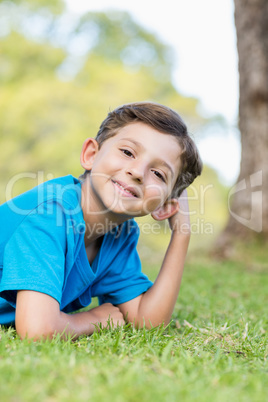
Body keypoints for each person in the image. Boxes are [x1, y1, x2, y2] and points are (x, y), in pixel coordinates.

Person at [0, 102, 202, 340]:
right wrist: (91, 320)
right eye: (127, 152)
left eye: (158, 174)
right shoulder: (50, 213)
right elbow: (37, 330)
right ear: (91, 155)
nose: (137, 172)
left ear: (165, 206)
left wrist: (182, 233)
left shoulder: (121, 234)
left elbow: (148, 323)